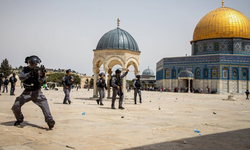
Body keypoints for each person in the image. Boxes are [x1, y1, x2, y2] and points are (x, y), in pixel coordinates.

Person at [11, 55, 55, 129]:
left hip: (37, 92)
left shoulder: (38, 71)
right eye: (33, 63)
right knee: (16, 106)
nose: (34, 65)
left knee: (45, 105)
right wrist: (30, 74)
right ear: (29, 63)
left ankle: (49, 120)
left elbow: (41, 81)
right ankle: (19, 119)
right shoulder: (25, 70)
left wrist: (42, 75)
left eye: (36, 63)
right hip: (26, 92)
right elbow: (21, 77)